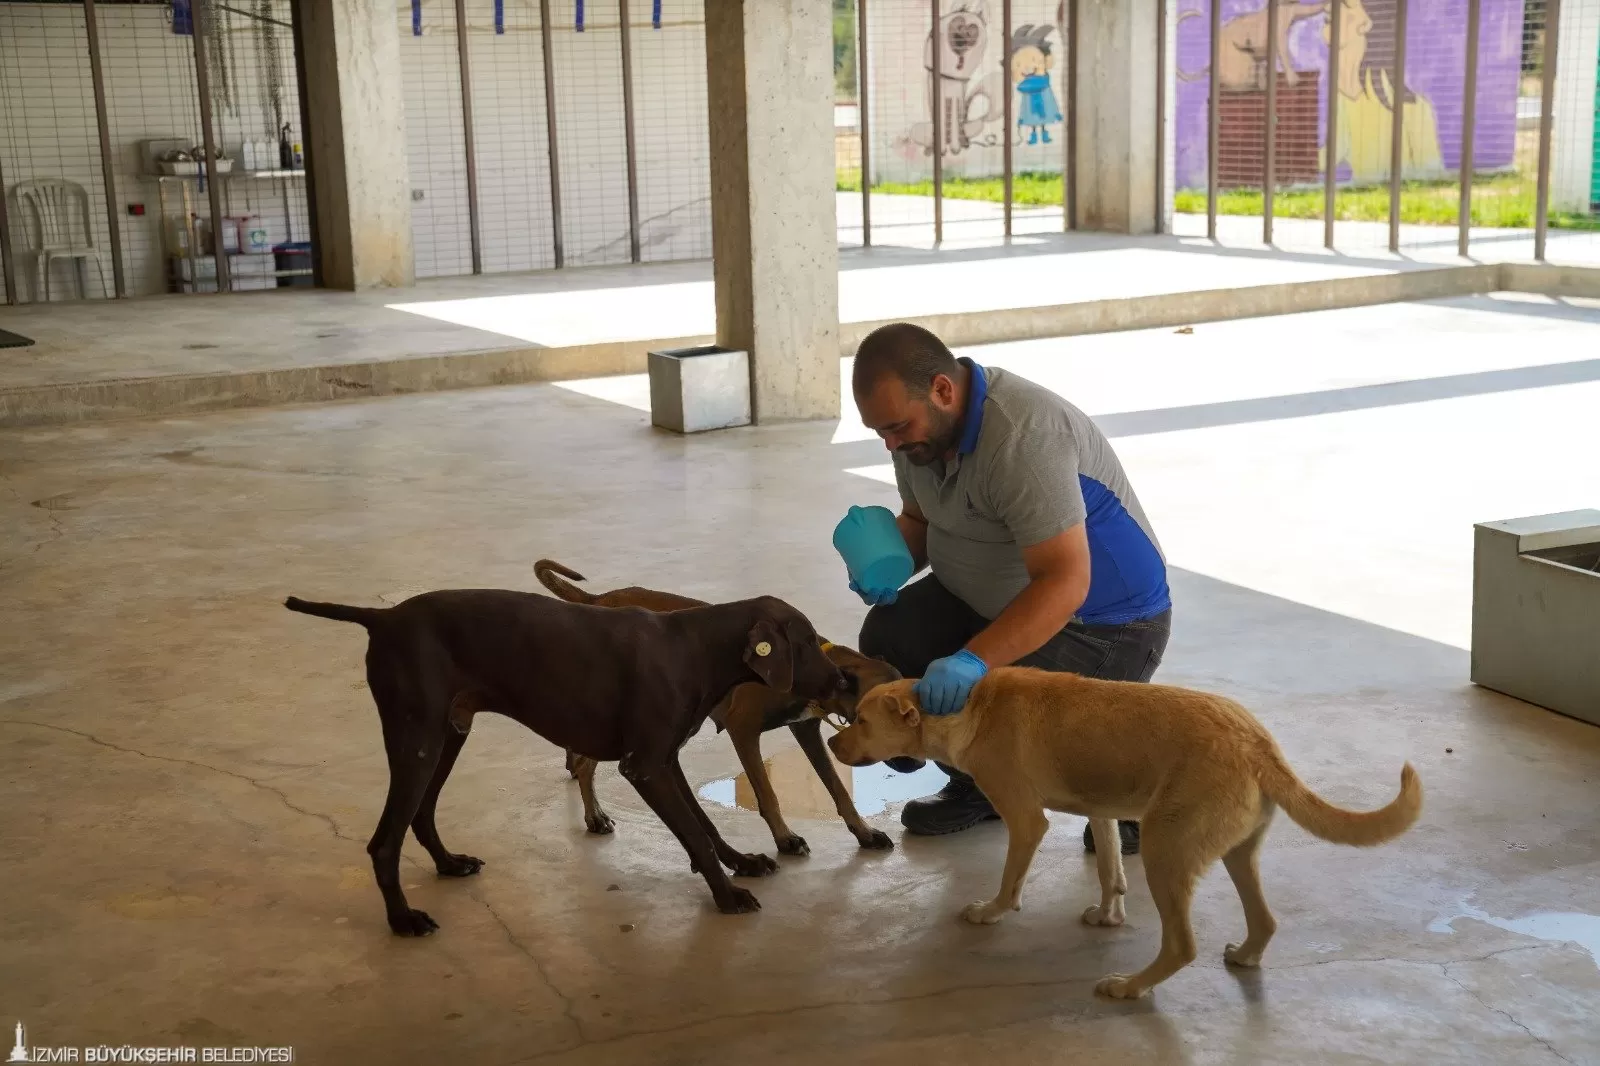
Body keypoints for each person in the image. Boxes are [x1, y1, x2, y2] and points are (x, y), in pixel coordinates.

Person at [842, 323, 1172, 852]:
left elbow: (1065, 581)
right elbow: (921, 516)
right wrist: (888, 562)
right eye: (880, 432)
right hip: (993, 597)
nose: (892, 444)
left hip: (1104, 624)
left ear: (943, 391)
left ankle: (1135, 791)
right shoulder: (920, 435)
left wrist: (974, 662)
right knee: (892, 632)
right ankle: (979, 786)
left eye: (897, 427)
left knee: (1003, 707)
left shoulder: (1022, 436)